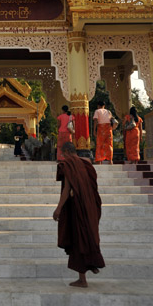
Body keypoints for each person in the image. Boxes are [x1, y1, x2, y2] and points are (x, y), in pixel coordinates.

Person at [53, 142, 105, 287]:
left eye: (63, 153)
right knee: (88, 234)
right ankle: (92, 262)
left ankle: (83, 279)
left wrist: (58, 209)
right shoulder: (86, 163)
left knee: (78, 239)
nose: (62, 156)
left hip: (77, 207)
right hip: (90, 206)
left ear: (67, 152)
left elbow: (67, 189)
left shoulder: (69, 164)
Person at [93, 100, 113, 165]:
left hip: (101, 128)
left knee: (100, 144)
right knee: (109, 144)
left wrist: (94, 130)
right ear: (104, 106)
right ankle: (110, 160)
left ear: (98, 106)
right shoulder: (108, 111)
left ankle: (99, 160)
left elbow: (95, 120)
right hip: (108, 128)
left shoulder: (97, 111)